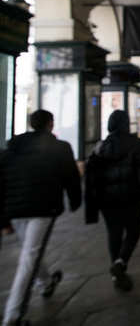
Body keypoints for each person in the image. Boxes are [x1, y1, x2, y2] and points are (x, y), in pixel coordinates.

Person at [0, 110, 81, 326]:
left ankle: (45, 283)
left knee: (31, 251)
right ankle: (13, 315)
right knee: (29, 257)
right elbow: (71, 177)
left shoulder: (11, 150)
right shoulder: (60, 148)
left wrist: (3, 219)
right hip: (42, 208)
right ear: (50, 124)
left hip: (14, 210)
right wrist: (75, 201)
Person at [84, 110, 140, 292]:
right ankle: (121, 262)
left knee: (113, 232)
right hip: (131, 197)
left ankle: (117, 270)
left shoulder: (101, 147)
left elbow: (92, 178)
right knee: (134, 229)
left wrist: (92, 203)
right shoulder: (136, 145)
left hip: (107, 200)